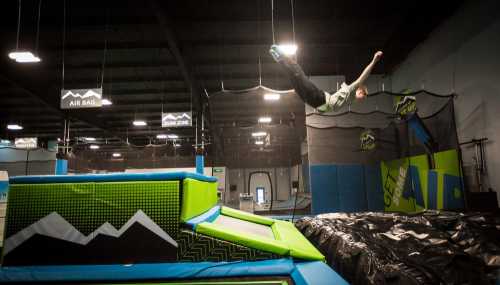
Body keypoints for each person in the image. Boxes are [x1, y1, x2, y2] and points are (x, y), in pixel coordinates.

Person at [269, 45, 383, 112]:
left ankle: (280, 60)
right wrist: (374, 61)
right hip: (319, 100)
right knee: (297, 74)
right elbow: (363, 77)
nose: (363, 98)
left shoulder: (351, 100)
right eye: (363, 95)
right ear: (359, 90)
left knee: (295, 80)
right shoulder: (352, 90)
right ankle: (282, 56)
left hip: (315, 102)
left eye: (364, 97)